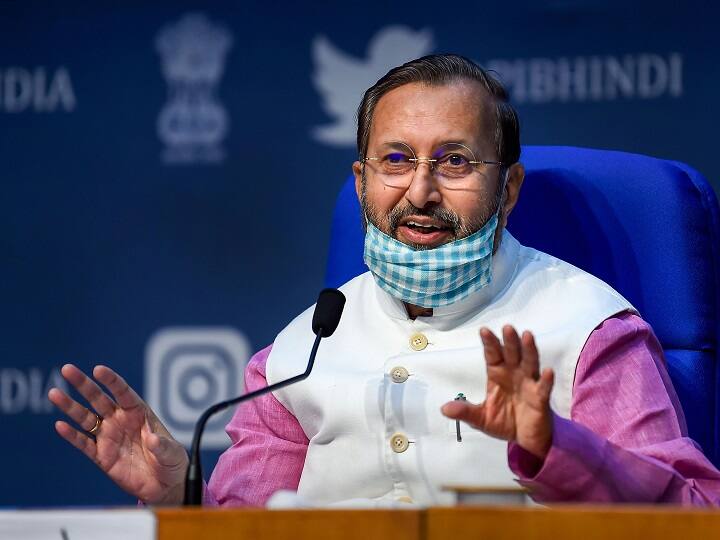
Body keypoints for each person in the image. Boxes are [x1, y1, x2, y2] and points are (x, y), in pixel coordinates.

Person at [49, 54, 720, 507]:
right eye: (396, 160)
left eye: (454, 162)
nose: (420, 191)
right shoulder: (299, 353)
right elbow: (249, 527)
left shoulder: (588, 330)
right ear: (361, 182)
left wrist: (556, 447)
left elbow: (695, 512)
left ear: (509, 188)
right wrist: (183, 497)